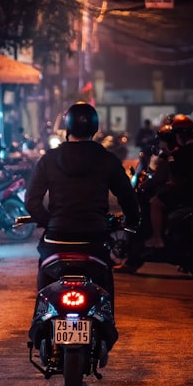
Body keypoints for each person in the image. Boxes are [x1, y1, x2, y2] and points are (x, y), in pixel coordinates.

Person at [24, 102, 140, 304]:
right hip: (94, 239)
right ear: (95, 129)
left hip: (56, 240)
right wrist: (132, 221)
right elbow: (127, 197)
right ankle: (106, 325)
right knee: (104, 283)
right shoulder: (107, 159)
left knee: (45, 279)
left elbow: (32, 201)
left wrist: (49, 221)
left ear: (67, 127)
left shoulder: (49, 159)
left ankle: (40, 326)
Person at [147, 114, 193, 246]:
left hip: (187, 193)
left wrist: (168, 157)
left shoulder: (180, 153)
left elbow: (173, 172)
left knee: (155, 202)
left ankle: (157, 238)